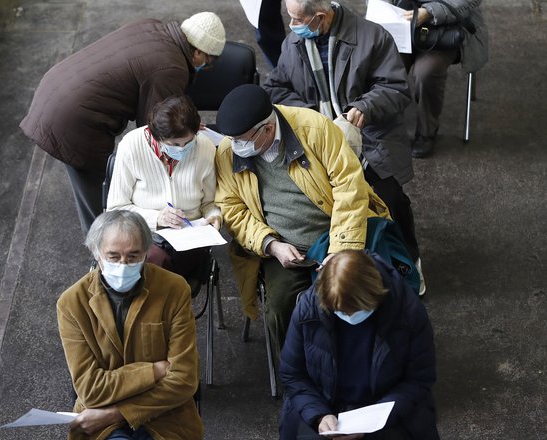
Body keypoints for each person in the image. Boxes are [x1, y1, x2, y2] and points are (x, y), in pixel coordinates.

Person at [214, 84, 390, 358]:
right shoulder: (228, 151)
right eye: (233, 139)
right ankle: (298, 377)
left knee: (365, 293)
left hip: (337, 234)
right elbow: (232, 210)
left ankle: (363, 367)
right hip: (284, 249)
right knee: (281, 307)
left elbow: (350, 187)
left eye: (242, 140)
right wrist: (271, 245)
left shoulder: (315, 128)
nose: (235, 146)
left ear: (268, 129)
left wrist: (340, 250)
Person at [20, 12, 226, 234]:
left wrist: (186, 125)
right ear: (197, 51)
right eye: (205, 62)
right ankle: (103, 247)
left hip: (57, 88)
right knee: (98, 190)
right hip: (72, 119)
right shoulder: (171, 68)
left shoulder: (154, 26)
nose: (203, 68)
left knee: (93, 183)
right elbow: (154, 126)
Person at [262, 0, 424, 281]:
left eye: (297, 20)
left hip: (371, 138)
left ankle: (408, 260)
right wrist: (307, 114)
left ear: (321, 18)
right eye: (290, 18)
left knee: (390, 199)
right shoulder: (293, 45)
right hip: (319, 140)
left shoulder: (373, 37)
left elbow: (396, 88)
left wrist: (364, 107)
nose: (292, 27)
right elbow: (275, 88)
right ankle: (342, 262)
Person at [57, 210, 201, 440]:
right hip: (100, 422)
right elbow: (91, 390)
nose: (123, 265)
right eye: (113, 257)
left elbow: (183, 380)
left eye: (133, 256)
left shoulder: (174, 289)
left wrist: (116, 413)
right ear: (97, 253)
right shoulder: (72, 303)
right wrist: (155, 370)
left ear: (147, 252)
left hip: (162, 417)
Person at [278, 250, 439, 439]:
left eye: (357, 311)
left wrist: (369, 424)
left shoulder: (408, 312)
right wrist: (319, 415)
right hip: (323, 406)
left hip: (387, 410)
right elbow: (293, 374)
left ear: (373, 295)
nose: (349, 318)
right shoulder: (309, 309)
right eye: (340, 311)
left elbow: (419, 379)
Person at [106, 94, 221, 279]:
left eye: (189, 142)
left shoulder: (205, 147)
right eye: (174, 144)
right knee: (153, 261)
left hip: (190, 235)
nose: (183, 149)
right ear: (156, 136)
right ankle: (165, 302)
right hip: (144, 232)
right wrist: (157, 218)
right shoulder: (131, 145)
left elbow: (210, 202)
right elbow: (116, 209)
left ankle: (162, 301)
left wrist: (214, 216)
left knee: (161, 269)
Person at [392, 0, 489, 158]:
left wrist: (430, 12)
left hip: (446, 27)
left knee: (426, 72)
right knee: (387, 66)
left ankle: (426, 131)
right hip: (401, 21)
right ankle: (385, 125)